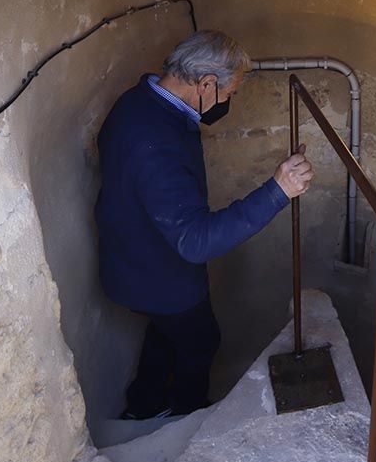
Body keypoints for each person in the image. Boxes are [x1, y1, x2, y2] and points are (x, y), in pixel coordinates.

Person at [94, 30, 314, 419]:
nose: (228, 102)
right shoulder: (155, 141)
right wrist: (279, 189)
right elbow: (195, 240)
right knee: (200, 339)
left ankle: (143, 406)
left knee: (167, 331)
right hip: (160, 271)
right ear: (206, 83)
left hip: (130, 257)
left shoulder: (137, 102)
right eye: (229, 94)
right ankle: (187, 415)